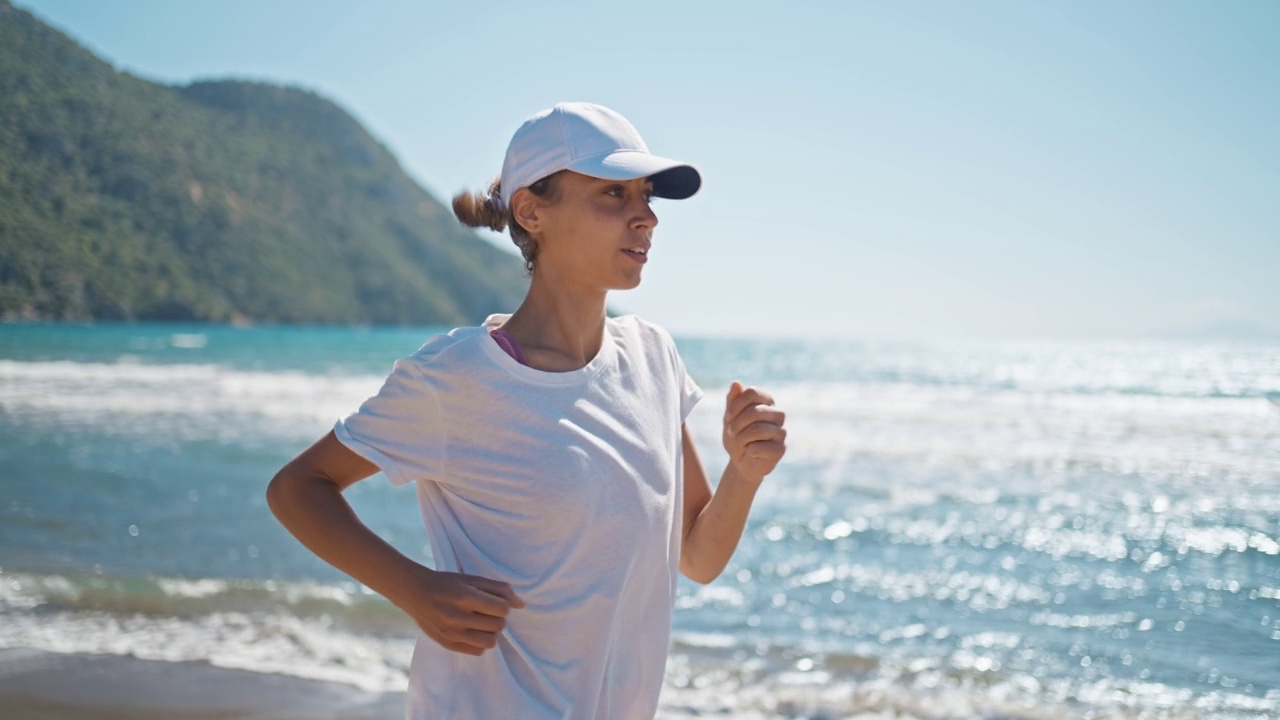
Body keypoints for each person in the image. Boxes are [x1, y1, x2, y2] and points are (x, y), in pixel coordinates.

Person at [266, 101, 787, 719]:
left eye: (646, 196)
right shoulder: (459, 376)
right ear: (532, 212)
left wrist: (744, 471)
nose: (645, 217)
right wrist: (414, 589)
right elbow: (299, 487)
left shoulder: (655, 358)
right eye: (613, 195)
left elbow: (697, 557)